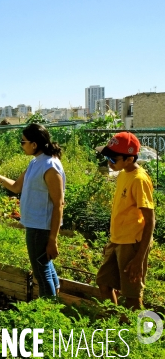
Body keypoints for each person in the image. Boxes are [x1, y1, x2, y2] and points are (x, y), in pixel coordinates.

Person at [0, 123, 65, 297]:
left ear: (34, 144)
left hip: (41, 227)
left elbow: (58, 203)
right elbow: (16, 187)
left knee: (41, 271)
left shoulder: (50, 166)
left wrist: (53, 238)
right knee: (45, 266)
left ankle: (49, 313)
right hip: (35, 225)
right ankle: (54, 306)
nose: (21, 145)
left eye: (23, 142)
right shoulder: (36, 162)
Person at [95, 132, 154, 310]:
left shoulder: (139, 180)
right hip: (117, 241)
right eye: (106, 156)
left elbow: (150, 221)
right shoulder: (122, 174)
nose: (109, 162)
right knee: (104, 283)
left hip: (132, 244)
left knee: (132, 296)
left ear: (129, 159)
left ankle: (135, 335)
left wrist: (139, 258)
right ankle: (115, 324)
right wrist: (112, 241)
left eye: (113, 158)